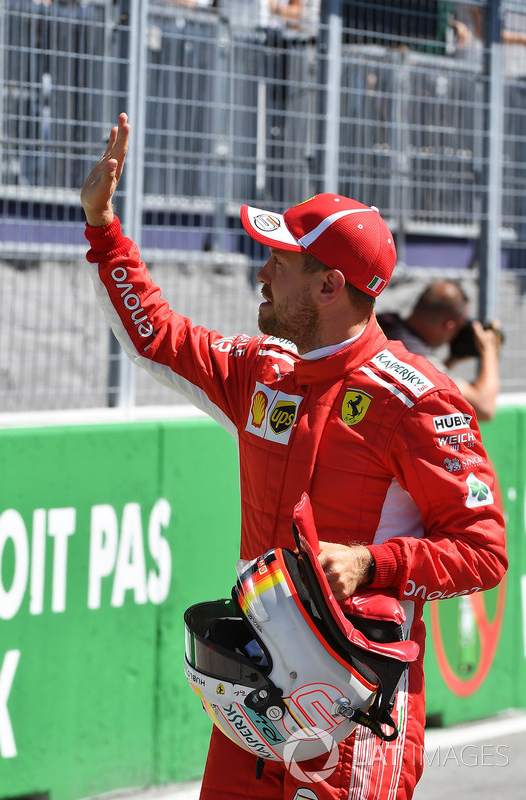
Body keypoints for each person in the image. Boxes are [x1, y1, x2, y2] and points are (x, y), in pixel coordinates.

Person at [80, 113, 507, 800]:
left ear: (329, 286)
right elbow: (153, 335)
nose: (262, 274)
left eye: (279, 262)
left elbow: (483, 555)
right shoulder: (263, 373)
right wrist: (103, 227)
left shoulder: (417, 399)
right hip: (249, 705)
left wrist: (373, 562)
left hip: (354, 713)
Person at [377, 280, 502, 421]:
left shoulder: (386, 327)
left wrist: (453, 359)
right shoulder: (415, 355)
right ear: (448, 326)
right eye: (458, 328)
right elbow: (484, 408)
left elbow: (429, 386)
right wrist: (490, 351)